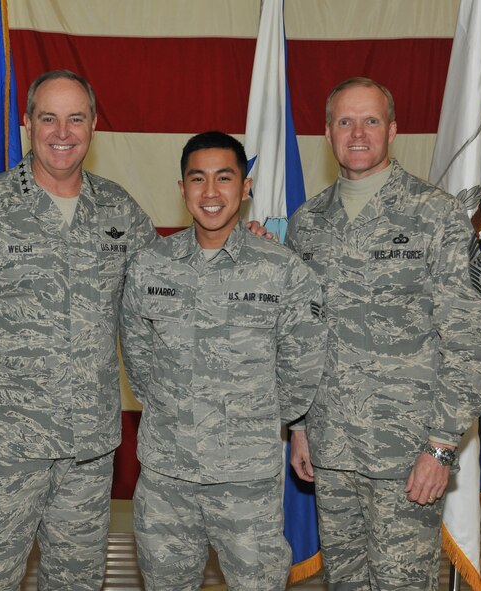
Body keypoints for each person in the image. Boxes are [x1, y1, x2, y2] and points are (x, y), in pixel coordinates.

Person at [0, 70, 158, 590]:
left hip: (88, 445)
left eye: (76, 118)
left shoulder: (118, 209)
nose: (63, 132)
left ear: (94, 125)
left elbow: (169, 284)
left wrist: (242, 238)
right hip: (3, 444)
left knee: (77, 582)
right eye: (49, 118)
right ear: (27, 124)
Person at [286, 77, 481, 590]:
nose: (357, 133)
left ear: (393, 130)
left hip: (407, 453)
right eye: (345, 121)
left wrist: (442, 447)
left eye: (371, 120)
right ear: (328, 132)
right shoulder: (307, 222)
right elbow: (295, 334)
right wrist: (297, 425)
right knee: (345, 582)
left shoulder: (438, 215)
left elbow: (470, 340)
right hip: (331, 449)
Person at [118, 131, 328, 590]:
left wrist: (260, 420)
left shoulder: (281, 269)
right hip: (165, 479)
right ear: (182, 189)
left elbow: (301, 361)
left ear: (245, 187)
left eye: (224, 178)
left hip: (247, 480)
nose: (211, 193)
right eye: (198, 179)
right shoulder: (151, 265)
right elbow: (137, 356)